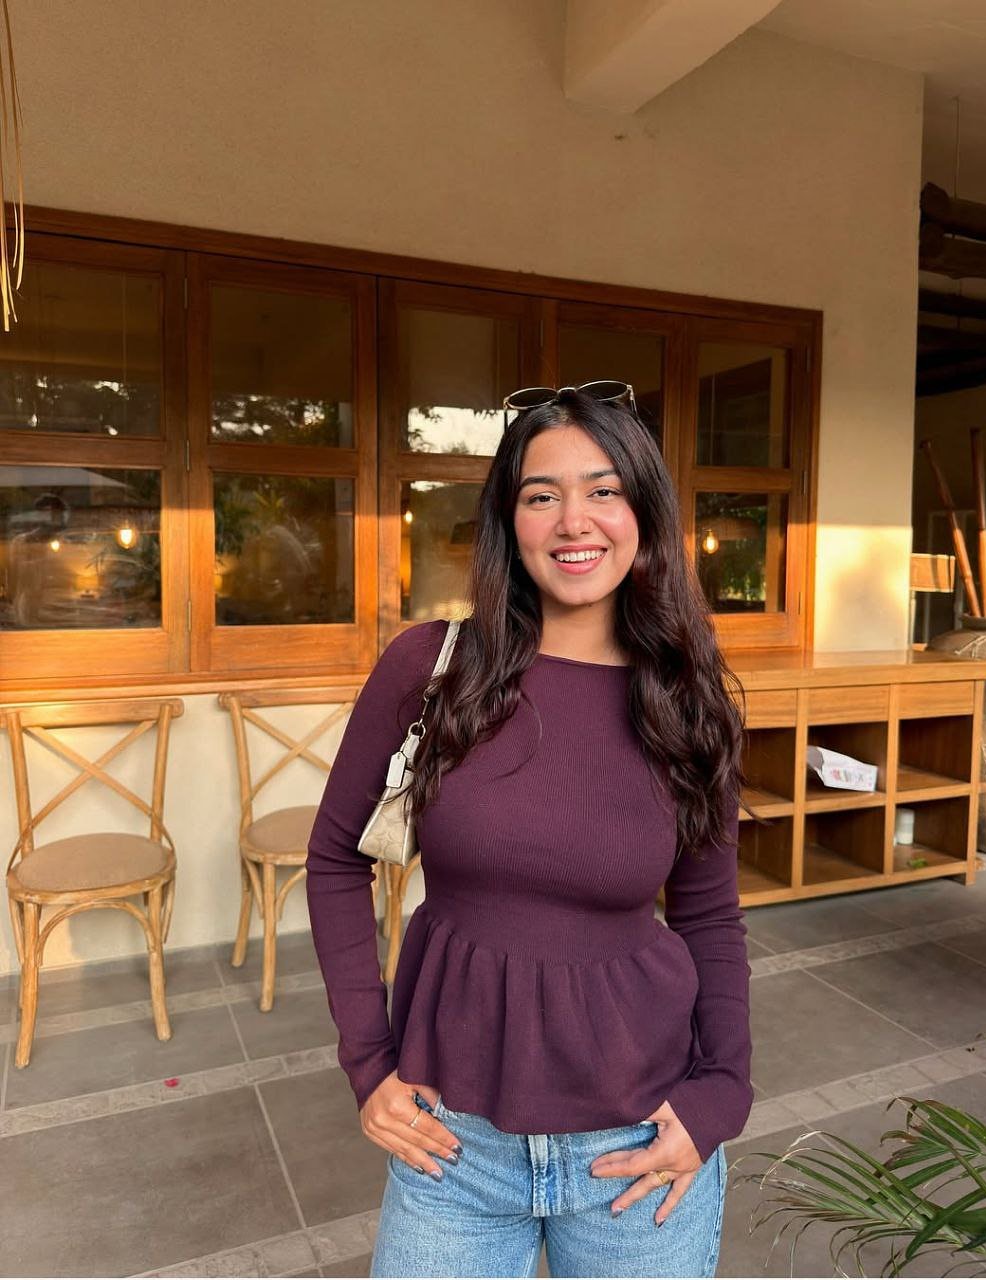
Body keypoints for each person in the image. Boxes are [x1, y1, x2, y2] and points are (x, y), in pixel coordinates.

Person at [306, 382, 753, 1278]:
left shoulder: (688, 697)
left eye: (603, 490)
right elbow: (333, 860)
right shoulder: (434, 668)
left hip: (637, 1144)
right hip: (453, 1145)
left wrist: (723, 1094)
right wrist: (368, 1062)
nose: (573, 521)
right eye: (542, 495)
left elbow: (709, 915)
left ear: (643, 512)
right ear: (509, 523)